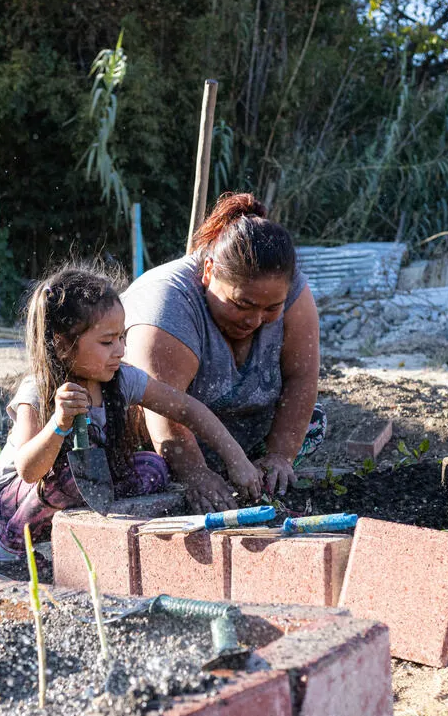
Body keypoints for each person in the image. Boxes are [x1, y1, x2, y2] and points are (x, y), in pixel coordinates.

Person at [0, 263, 263, 580]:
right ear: (61, 344)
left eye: (121, 338)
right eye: (106, 342)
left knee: (153, 468)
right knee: (70, 477)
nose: (120, 350)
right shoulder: (38, 391)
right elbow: (30, 471)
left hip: (82, 486)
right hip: (17, 499)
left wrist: (236, 458)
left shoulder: (121, 379)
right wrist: (59, 423)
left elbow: (186, 409)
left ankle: (94, 536)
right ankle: (5, 549)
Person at [122, 193, 322, 513]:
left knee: (311, 421)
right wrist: (196, 474)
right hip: (159, 431)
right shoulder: (168, 306)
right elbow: (163, 411)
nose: (254, 320)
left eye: (271, 308)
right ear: (209, 271)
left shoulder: (295, 291)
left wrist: (280, 456)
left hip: (238, 427)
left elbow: (302, 375)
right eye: (242, 304)